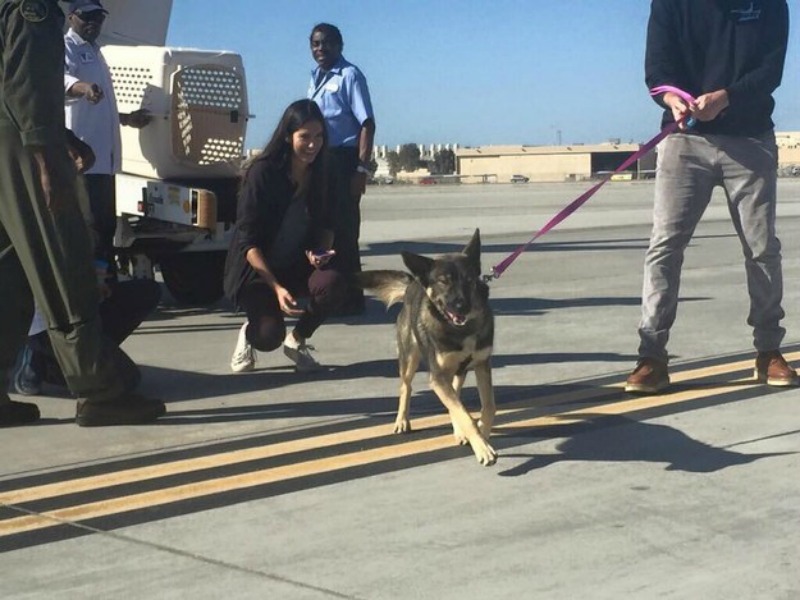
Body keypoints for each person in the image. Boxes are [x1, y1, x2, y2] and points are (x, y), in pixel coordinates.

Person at [0, 0, 165, 426]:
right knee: (64, 264)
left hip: (10, 143)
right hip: (24, 149)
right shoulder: (31, 8)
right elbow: (27, 85)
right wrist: (46, 162)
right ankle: (100, 390)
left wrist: (65, 137)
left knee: (11, 273)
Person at [625, 0, 794, 394]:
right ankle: (652, 356)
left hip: (750, 139)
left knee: (761, 248)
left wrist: (727, 96)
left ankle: (768, 350)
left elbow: (771, 70)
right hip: (684, 141)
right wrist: (672, 99)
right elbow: (657, 68)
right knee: (665, 246)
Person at [224, 99, 347, 373]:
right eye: (304, 137)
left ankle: (298, 338)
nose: (313, 144)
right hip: (257, 271)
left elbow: (328, 223)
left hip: (296, 264)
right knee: (268, 337)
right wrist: (276, 288)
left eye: (319, 136)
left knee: (334, 282)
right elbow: (248, 241)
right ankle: (249, 331)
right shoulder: (263, 173)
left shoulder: (324, 171)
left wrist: (321, 253)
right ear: (288, 136)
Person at [307, 23, 376, 316]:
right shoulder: (315, 79)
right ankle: (333, 293)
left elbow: (367, 123)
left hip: (345, 161)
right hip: (321, 161)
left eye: (326, 43)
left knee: (346, 231)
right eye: (315, 44)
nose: (320, 49)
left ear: (339, 46)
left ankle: (352, 299)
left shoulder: (350, 76)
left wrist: (361, 168)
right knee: (325, 228)